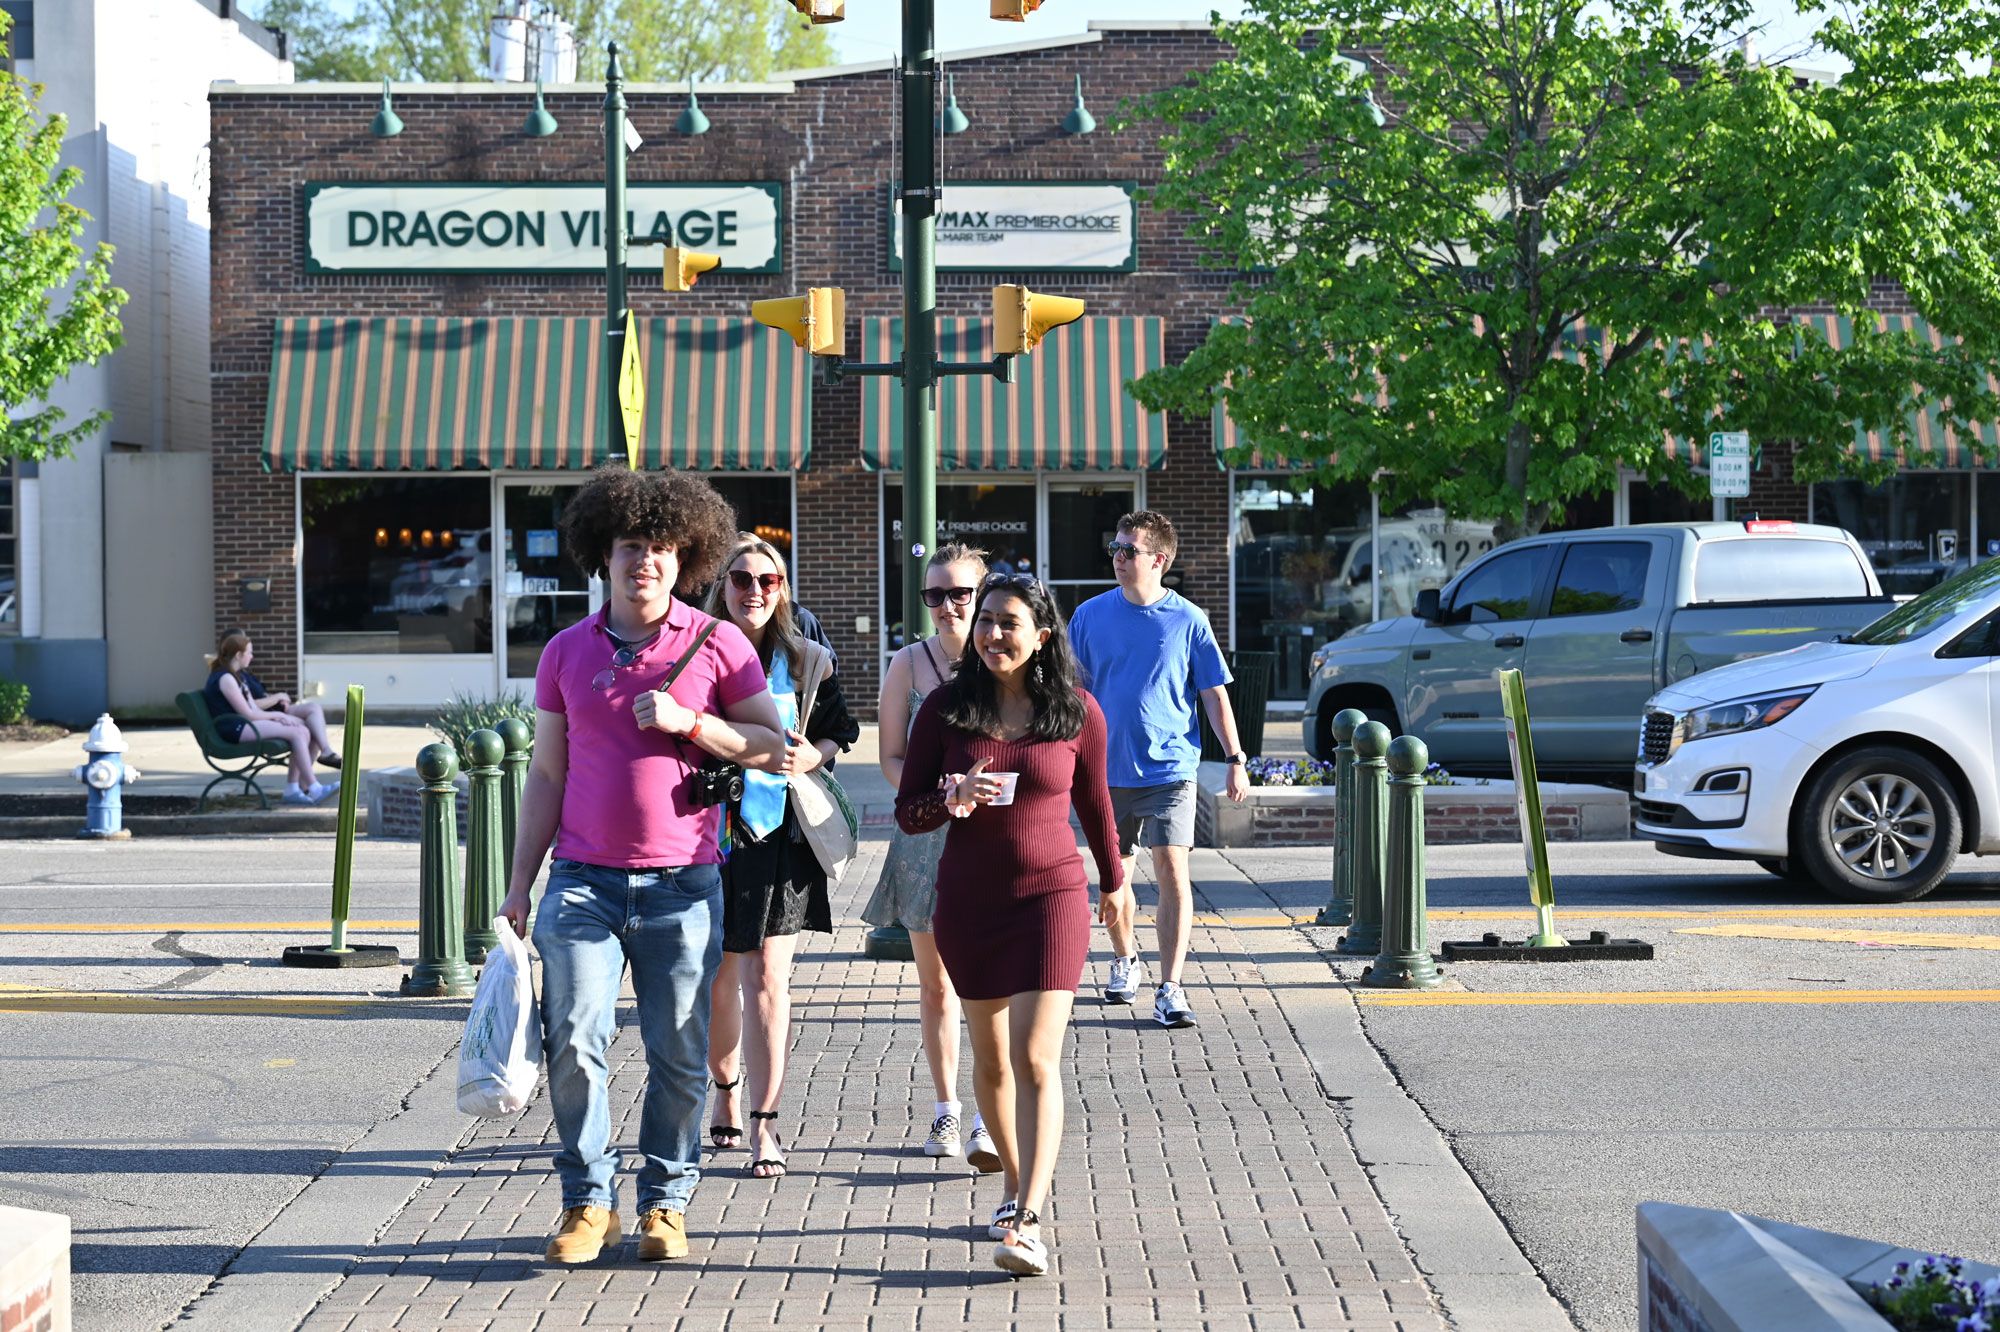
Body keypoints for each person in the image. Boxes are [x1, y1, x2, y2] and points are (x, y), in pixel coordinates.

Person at [497, 467, 787, 1267]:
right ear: (604, 555)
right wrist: (521, 882)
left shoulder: (718, 641)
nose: (645, 562)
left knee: (678, 1052)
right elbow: (547, 775)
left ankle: (665, 1201)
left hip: (683, 883)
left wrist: (695, 721)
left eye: (661, 548)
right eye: (631, 547)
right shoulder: (563, 652)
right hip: (582, 884)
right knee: (574, 1039)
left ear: (685, 555)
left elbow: (773, 748)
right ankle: (589, 1204)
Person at [895, 572, 1125, 1277]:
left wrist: (1115, 886)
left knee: (1033, 1058)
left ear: (1042, 636)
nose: (993, 633)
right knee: (992, 1063)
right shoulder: (944, 709)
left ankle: (1027, 1219)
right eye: (986, 619)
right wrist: (950, 793)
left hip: (1052, 898)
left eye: (1010, 622)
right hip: (968, 903)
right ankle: (1011, 1184)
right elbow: (908, 813)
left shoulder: (1079, 713)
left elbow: (1096, 808)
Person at [701, 534, 859, 1180]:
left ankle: (765, 1123)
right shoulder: (694, 652)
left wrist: (811, 756)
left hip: (784, 834)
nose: (755, 592)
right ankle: (725, 1085)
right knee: (719, 977)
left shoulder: (806, 659)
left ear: (783, 589)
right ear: (722, 586)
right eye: (741, 579)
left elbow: (839, 729)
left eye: (768, 581)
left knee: (768, 976)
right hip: (711, 832)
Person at [1067, 510, 1249, 1030]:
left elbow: (1214, 695)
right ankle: (1125, 960)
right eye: (1115, 548)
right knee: (1115, 875)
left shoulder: (1189, 620)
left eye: (1129, 550)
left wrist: (1235, 760)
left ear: (1159, 560)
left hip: (1170, 769)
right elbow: (1070, 693)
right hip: (1103, 773)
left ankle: (1171, 987)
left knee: (1172, 869)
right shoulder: (1088, 616)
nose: (1118, 558)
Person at [862, 542, 1001, 1170]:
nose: (947, 606)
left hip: (997, 839)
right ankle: (948, 1108)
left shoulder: (1007, 659)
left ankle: (987, 1115)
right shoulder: (907, 664)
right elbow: (890, 759)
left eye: (960, 594)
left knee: (991, 984)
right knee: (938, 987)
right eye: (934, 595)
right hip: (925, 839)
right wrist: (934, 792)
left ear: (983, 594)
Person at [201, 630, 338, 805]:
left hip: (242, 724)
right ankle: (315, 788)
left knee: (303, 729)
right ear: (238, 655)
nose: (252, 656)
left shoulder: (236, 677)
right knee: (296, 733)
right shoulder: (226, 679)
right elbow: (248, 714)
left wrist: (278, 716)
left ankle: (293, 789)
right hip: (233, 728)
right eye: (249, 652)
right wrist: (278, 715)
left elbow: (252, 708)